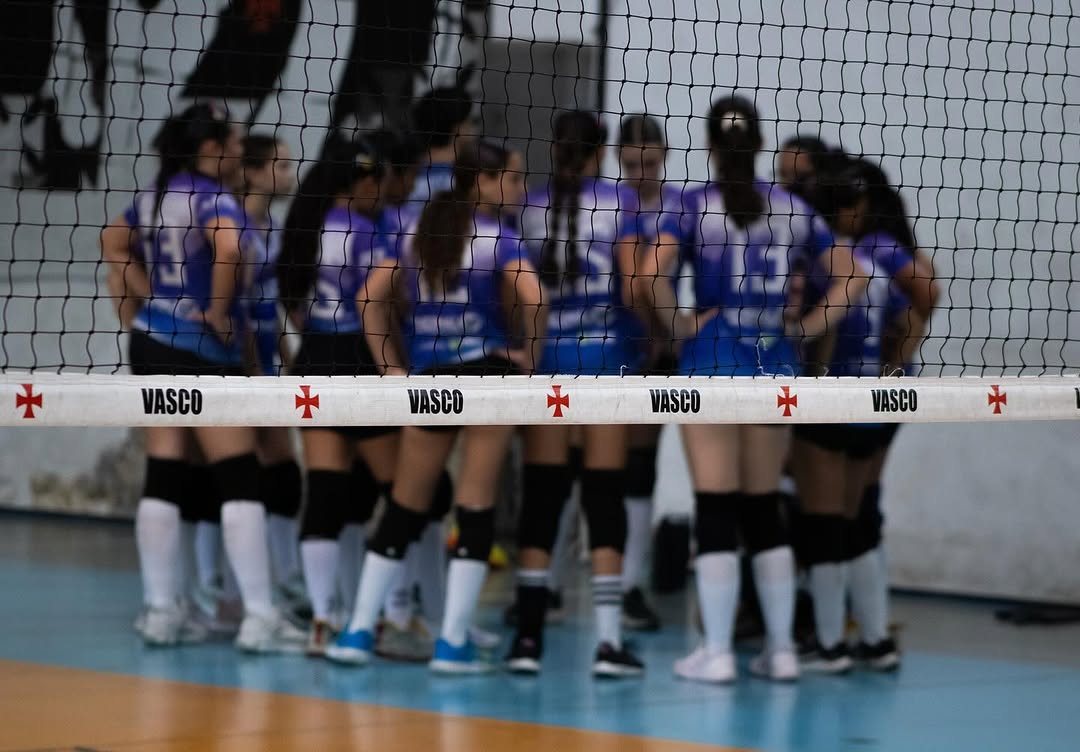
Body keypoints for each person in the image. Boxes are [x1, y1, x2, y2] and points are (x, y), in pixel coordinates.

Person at [636, 95, 867, 683]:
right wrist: (804, 328)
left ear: (710, 147)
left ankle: (716, 653)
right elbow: (853, 277)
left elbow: (649, 275)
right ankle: (783, 651)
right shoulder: (793, 208)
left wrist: (678, 326)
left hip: (711, 363)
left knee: (715, 504)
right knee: (763, 506)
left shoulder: (692, 207)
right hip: (774, 365)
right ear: (760, 145)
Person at [327, 139, 543, 673]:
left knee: (404, 505)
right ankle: (451, 643)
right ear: (482, 182)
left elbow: (367, 298)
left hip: (430, 380)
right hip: (488, 374)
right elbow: (535, 297)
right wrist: (529, 358)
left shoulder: (410, 230)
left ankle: (357, 632)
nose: (520, 189)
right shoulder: (499, 238)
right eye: (513, 178)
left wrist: (389, 369)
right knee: (475, 506)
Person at [100, 102, 305, 653]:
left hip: (152, 340)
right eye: (235, 142)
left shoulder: (156, 194)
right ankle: (259, 617)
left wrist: (153, 299)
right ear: (211, 149)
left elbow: (111, 243)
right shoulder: (214, 197)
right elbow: (230, 248)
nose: (240, 149)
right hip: (201, 350)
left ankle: (162, 611)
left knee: (165, 472)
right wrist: (216, 312)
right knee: (238, 476)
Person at [507, 110, 645, 678]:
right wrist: (661, 337)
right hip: (606, 361)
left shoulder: (528, 206)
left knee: (543, 496)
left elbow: (515, 295)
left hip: (549, 366)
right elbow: (634, 287)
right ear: (599, 152)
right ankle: (609, 643)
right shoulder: (621, 202)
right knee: (605, 497)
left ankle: (527, 639)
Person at [793, 157, 938, 673]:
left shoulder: (829, 265)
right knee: (855, 520)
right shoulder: (876, 264)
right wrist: (891, 370)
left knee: (825, 523)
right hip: (871, 405)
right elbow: (910, 317)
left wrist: (815, 375)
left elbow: (826, 329)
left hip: (832, 402)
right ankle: (874, 640)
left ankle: (830, 644)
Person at [277, 138, 401, 656]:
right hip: (359, 359)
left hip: (315, 357)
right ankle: (390, 611)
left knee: (326, 492)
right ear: (363, 182)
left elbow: (293, 301)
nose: (385, 192)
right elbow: (377, 303)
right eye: (380, 182)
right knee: (403, 491)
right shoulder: (368, 232)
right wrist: (392, 365)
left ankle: (323, 617)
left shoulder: (305, 227)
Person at [235, 133, 306, 609]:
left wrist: (289, 357)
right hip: (236, 362)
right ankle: (232, 589)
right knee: (247, 474)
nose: (289, 174)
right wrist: (255, 370)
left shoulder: (274, 228)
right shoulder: (232, 225)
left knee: (280, 473)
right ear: (253, 171)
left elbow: (271, 304)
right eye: (281, 166)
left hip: (265, 358)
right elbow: (236, 308)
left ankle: (284, 577)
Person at [409, 84, 475, 205]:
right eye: (469, 120)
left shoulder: (405, 173)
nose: (472, 127)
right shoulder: (467, 180)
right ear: (457, 127)